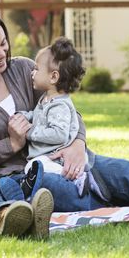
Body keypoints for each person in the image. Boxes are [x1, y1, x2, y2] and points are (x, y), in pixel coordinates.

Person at [0, 4, 129, 212]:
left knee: (127, 174)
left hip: (60, 156)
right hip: (17, 178)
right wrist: (11, 144)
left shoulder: (24, 69)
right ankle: (106, 203)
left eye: (3, 44)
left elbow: (65, 109)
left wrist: (77, 144)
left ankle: (104, 191)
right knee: (56, 189)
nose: (2, 53)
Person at [15, 37, 110, 202]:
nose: (32, 72)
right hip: (50, 155)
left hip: (58, 157)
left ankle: (80, 178)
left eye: (36, 69)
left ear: (53, 77)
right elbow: (38, 115)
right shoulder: (47, 98)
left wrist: (29, 132)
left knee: (34, 167)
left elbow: (58, 134)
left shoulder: (59, 106)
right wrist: (25, 116)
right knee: (34, 167)